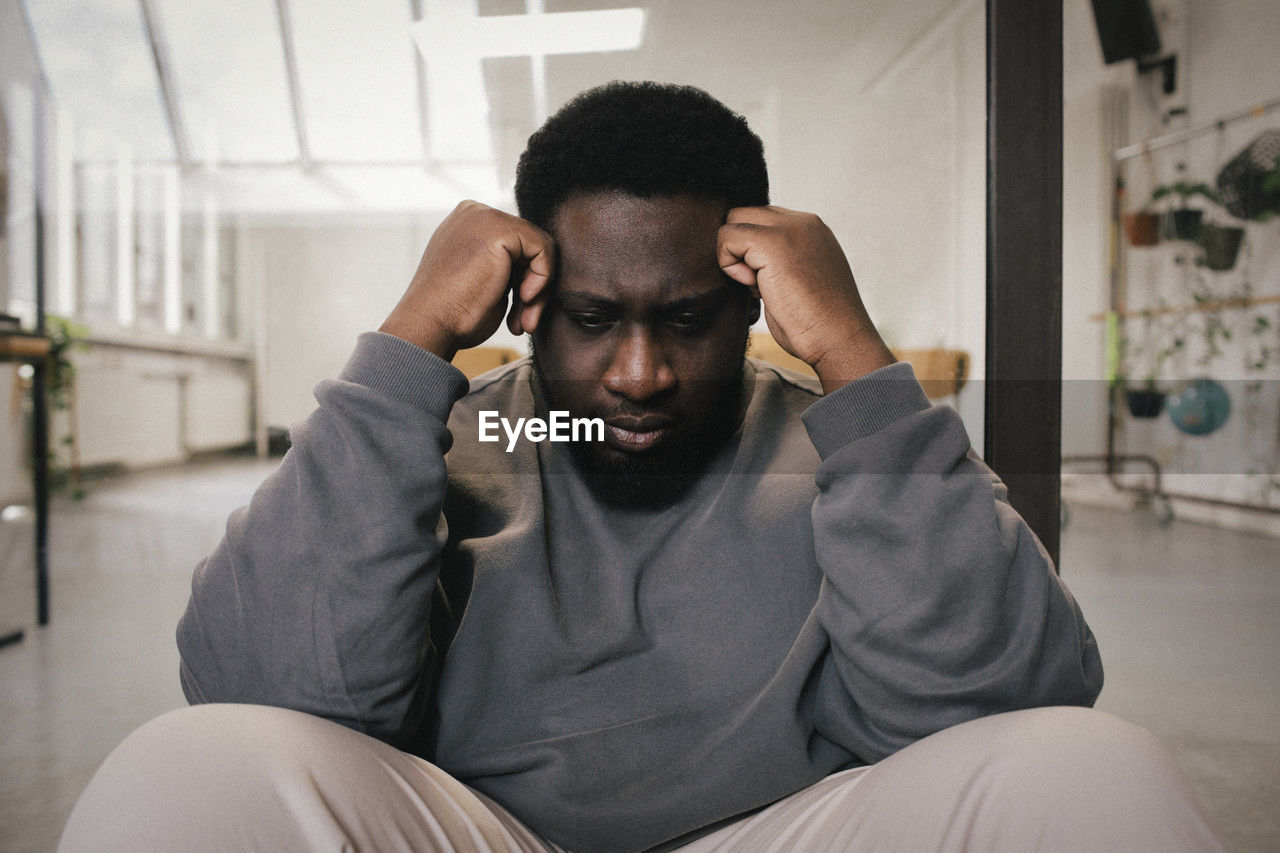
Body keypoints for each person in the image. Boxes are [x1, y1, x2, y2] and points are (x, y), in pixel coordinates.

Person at [60, 82, 1224, 852]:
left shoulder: (842, 448)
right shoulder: (456, 440)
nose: (636, 374)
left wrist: (858, 365)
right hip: (479, 831)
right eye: (587, 317)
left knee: (1090, 768)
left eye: (685, 319)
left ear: (750, 300)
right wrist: (409, 340)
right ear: (525, 309)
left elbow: (1008, 701)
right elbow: (259, 684)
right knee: (189, 763)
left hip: (779, 832)